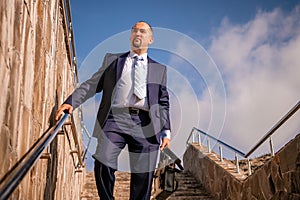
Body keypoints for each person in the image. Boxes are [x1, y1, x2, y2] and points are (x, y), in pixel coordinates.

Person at [55, 21, 171, 200]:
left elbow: (162, 102)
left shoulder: (159, 69)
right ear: (130, 36)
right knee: (103, 160)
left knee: (143, 176)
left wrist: (165, 130)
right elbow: (92, 84)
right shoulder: (113, 60)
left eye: (142, 31)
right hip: (115, 120)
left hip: (146, 124)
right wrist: (72, 102)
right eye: (134, 31)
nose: (137, 33)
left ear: (151, 39)